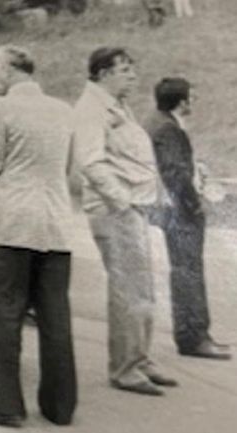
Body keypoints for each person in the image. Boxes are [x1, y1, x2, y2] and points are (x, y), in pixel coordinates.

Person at [0, 45, 77, 428]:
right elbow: (68, 168)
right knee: (55, 317)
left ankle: (7, 405)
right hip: (56, 224)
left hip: (13, 222)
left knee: (5, 313)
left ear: (7, 69)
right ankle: (60, 406)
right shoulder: (64, 110)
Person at [73, 47, 177, 397]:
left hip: (133, 207)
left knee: (141, 286)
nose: (133, 76)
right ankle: (125, 368)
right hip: (115, 210)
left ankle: (140, 358)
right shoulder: (91, 108)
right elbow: (91, 162)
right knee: (127, 288)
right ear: (103, 73)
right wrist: (121, 203)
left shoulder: (116, 104)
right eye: (125, 70)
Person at [144, 77, 231, 360]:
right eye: (192, 96)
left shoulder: (157, 121)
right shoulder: (169, 129)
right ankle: (194, 337)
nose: (194, 101)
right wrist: (194, 206)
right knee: (189, 273)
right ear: (182, 101)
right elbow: (176, 174)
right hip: (180, 214)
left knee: (184, 272)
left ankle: (192, 335)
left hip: (170, 211)